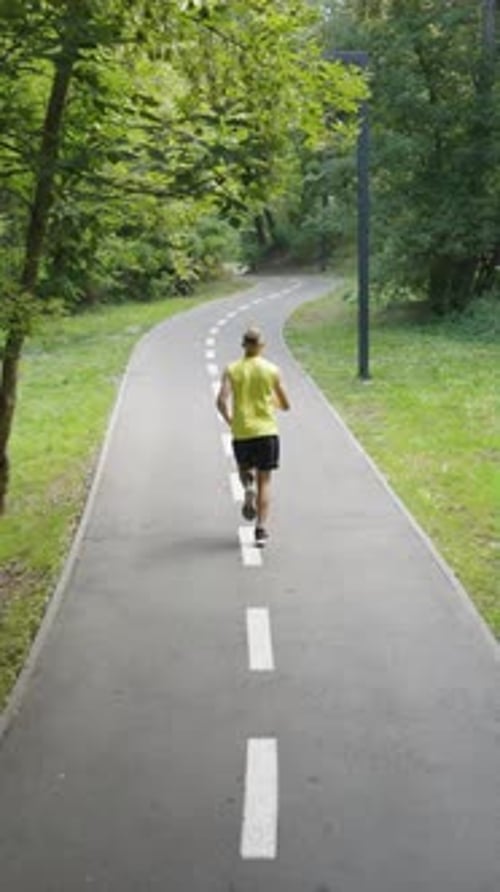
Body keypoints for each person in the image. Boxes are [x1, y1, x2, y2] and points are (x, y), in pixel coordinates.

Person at [216, 326, 290, 546]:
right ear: (262, 346)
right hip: (266, 432)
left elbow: (220, 401)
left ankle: (247, 487)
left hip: (242, 432)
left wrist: (232, 421)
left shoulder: (231, 369)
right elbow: (286, 404)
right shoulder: (272, 370)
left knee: (245, 470)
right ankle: (260, 530)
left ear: (243, 345)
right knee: (265, 482)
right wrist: (270, 403)